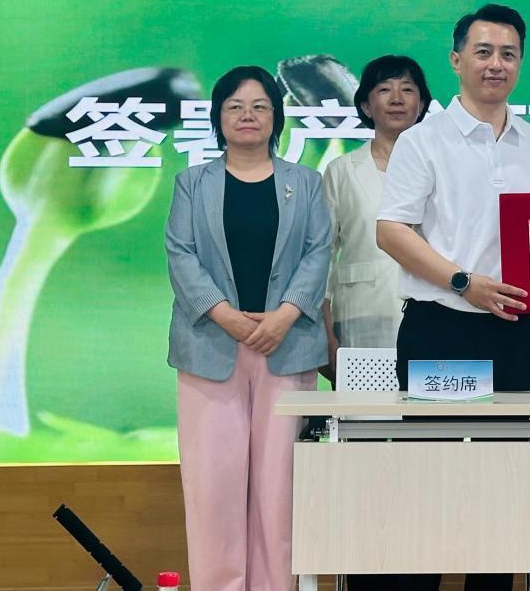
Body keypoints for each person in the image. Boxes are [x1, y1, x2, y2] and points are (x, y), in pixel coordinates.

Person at [377, 3, 530, 591]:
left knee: (500, 481)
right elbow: (392, 231)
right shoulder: (423, 141)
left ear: (521, 64)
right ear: (457, 61)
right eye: (483, 52)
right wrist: (463, 282)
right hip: (442, 328)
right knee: (428, 479)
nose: (495, 64)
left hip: (514, 329)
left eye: (508, 54)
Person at [165, 65, 332, 591]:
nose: (248, 116)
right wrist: (226, 315)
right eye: (235, 106)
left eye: (260, 106)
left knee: (279, 487)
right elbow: (181, 253)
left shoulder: (306, 183)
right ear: (217, 118)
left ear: (277, 117)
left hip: (287, 346)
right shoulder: (192, 183)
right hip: (211, 348)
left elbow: (318, 253)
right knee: (212, 486)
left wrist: (285, 314)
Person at [321, 55, 432, 375]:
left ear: (422, 104)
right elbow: (321, 259)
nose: (397, 99)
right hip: (360, 317)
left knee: (427, 406)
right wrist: (325, 337)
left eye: (407, 89)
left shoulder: (443, 169)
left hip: (432, 318)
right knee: (364, 407)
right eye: (384, 89)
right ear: (366, 106)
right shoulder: (341, 171)